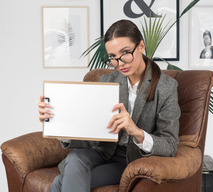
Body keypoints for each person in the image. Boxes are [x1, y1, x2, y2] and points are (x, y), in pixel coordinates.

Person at [38, 19, 181, 192]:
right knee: (75, 157)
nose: (120, 63)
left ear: (141, 46)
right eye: (113, 57)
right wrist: (58, 123)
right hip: (102, 152)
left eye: (126, 52)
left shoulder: (166, 87)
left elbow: (170, 144)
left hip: (130, 160)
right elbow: (92, 131)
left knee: (61, 182)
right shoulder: (107, 81)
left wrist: (136, 131)